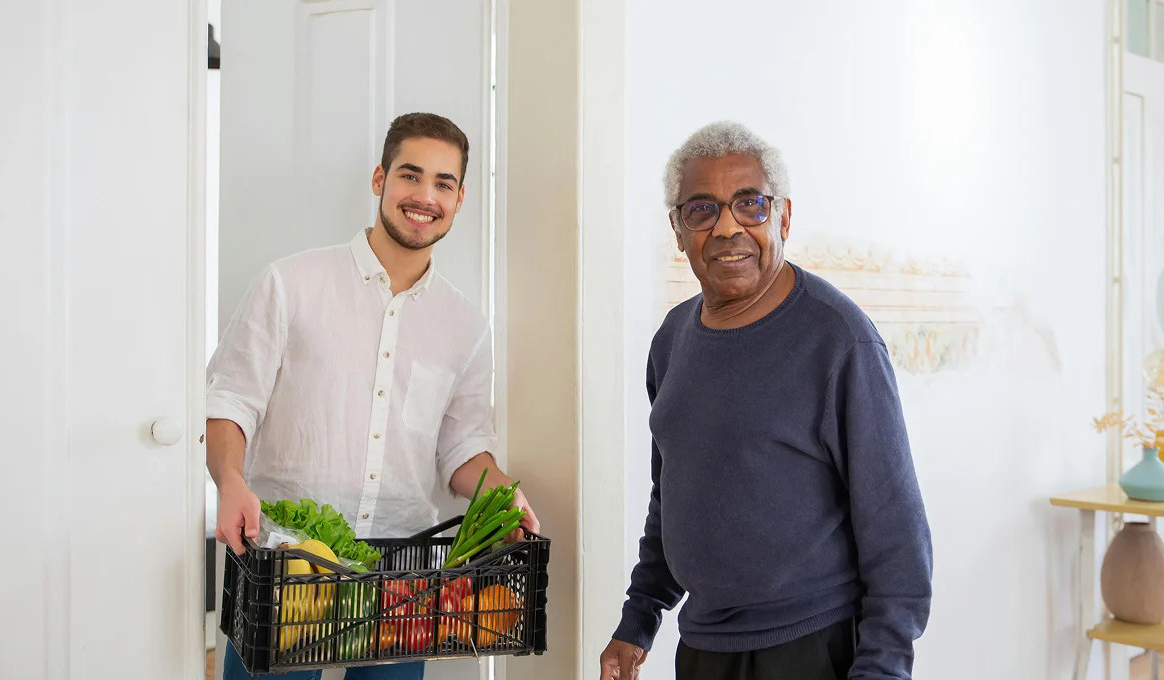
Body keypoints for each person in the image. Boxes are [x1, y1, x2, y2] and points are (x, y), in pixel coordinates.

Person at [207, 112, 538, 680]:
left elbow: (461, 446)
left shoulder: (465, 326)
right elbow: (232, 401)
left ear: (460, 199)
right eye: (410, 175)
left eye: (444, 183)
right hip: (285, 560)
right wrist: (230, 481)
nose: (425, 196)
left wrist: (502, 496)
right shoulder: (291, 284)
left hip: (401, 578)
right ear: (380, 179)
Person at [599, 121, 933, 680]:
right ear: (678, 230)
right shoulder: (672, 340)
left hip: (812, 647)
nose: (727, 226)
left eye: (749, 204)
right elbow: (673, 494)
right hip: (703, 648)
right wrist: (639, 618)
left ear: (783, 217)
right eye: (702, 209)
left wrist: (883, 669)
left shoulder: (838, 340)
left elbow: (897, 533)